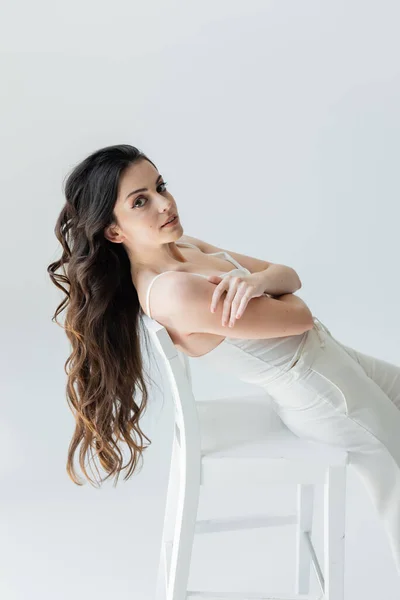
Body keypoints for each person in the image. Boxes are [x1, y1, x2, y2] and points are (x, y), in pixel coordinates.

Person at [48, 144, 400, 576]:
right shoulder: (173, 291)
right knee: (396, 477)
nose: (165, 203)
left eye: (160, 187)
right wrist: (262, 284)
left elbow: (287, 274)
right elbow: (299, 315)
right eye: (140, 201)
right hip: (326, 393)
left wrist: (255, 281)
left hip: (335, 362)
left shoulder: (183, 246)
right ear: (114, 232)